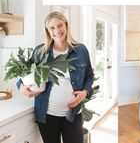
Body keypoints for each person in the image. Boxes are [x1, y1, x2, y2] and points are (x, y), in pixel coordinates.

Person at [17, 12, 93, 143]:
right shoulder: (39, 52)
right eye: (52, 28)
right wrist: (22, 87)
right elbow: (23, 75)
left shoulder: (81, 50)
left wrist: (85, 93)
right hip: (47, 115)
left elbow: (89, 76)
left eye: (60, 25)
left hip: (73, 114)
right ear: (47, 30)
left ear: (66, 26)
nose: (57, 31)